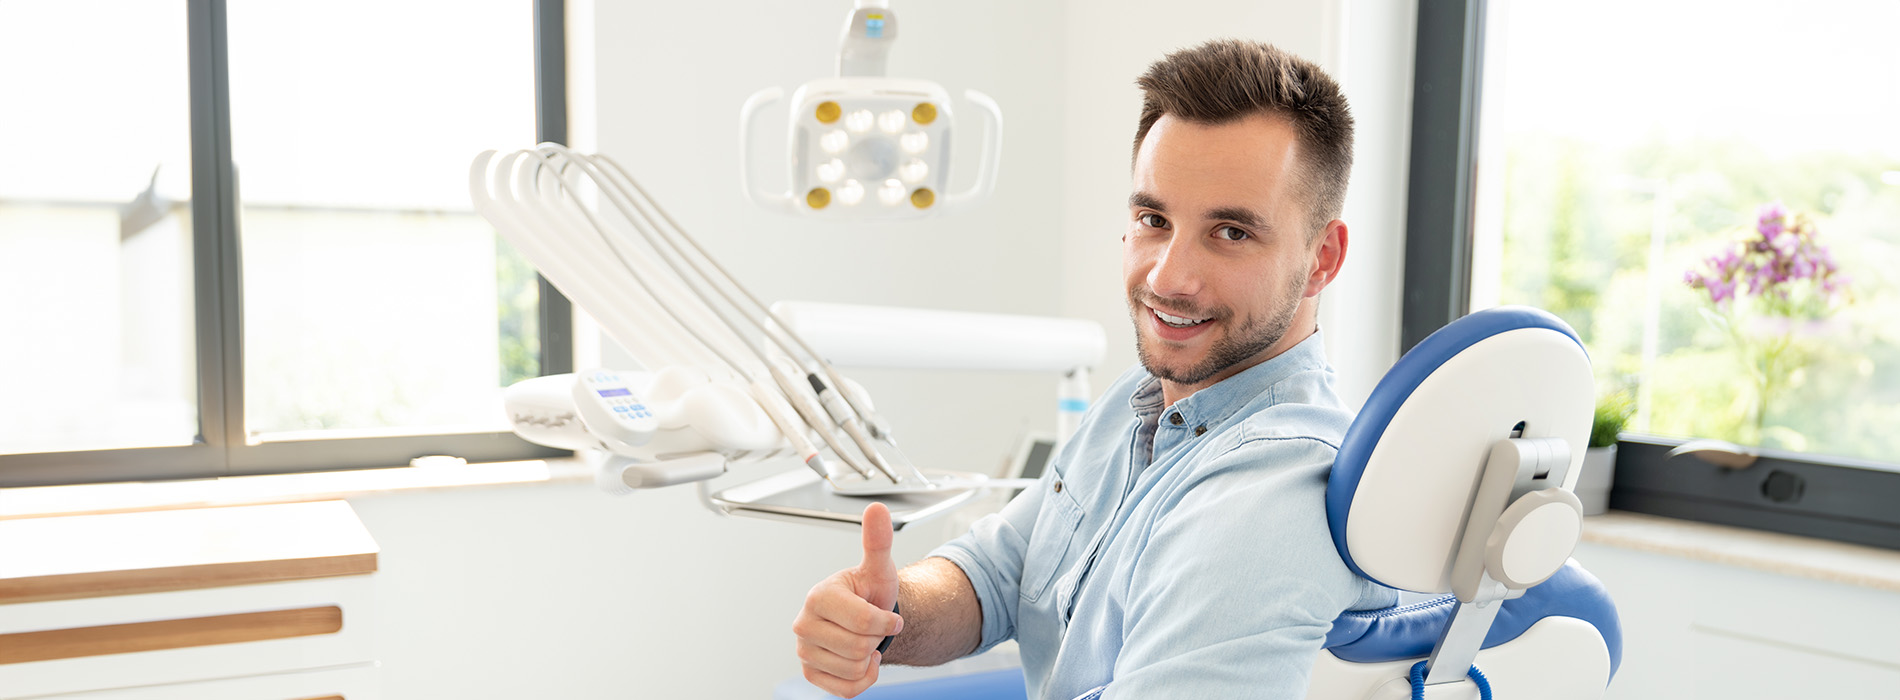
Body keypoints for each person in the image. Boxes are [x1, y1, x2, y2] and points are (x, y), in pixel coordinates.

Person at [791, 39, 1396, 699]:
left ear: (1323, 259)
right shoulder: (1135, 407)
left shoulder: (1273, 491)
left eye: (1231, 233)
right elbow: (1001, 572)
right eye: (1153, 219)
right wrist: (890, 611)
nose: (1169, 277)